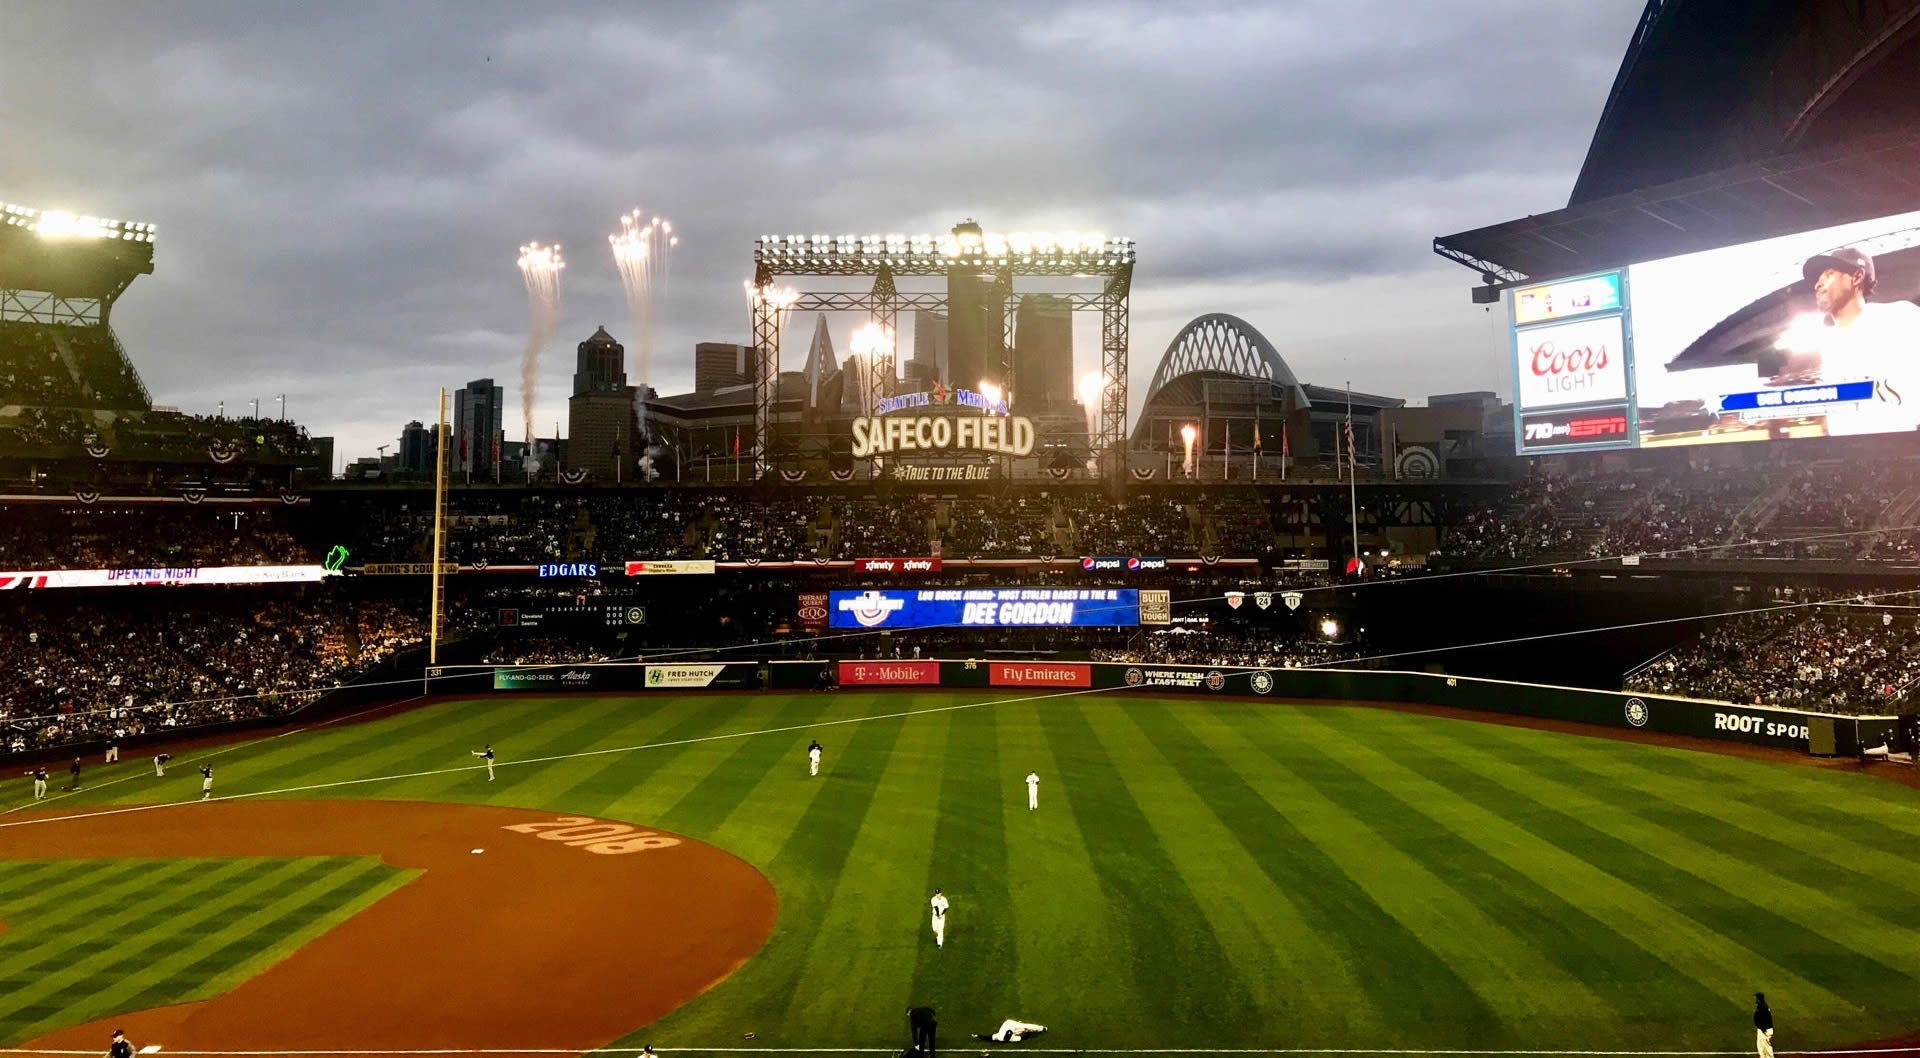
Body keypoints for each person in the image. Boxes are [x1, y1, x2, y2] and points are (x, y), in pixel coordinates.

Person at [1790, 248, 1920, 436]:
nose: (1818, 284)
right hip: (1845, 457)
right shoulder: (1827, 344)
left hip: (1899, 453)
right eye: (1818, 279)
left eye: (1829, 274)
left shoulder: (1899, 317)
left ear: (1857, 277)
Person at [973, 1020, 1047, 1044]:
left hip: (1011, 1024)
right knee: (1024, 1029)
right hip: (1009, 1025)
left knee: (1025, 1026)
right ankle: (1041, 1029)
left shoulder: (1002, 1037)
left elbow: (989, 1037)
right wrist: (1029, 1033)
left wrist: (978, 1036)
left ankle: (1041, 1028)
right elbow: (1023, 1037)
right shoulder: (1001, 1037)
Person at [1754, 993, 1774, 1058]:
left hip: (1765, 1030)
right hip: (1762, 1029)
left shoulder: (1763, 1007)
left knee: (1766, 1045)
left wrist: (1763, 1029)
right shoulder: (1761, 1006)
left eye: (1756, 998)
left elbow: (1766, 1019)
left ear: (1759, 999)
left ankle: (1770, 1057)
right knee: (1760, 1044)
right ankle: (1762, 1056)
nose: (1755, 999)